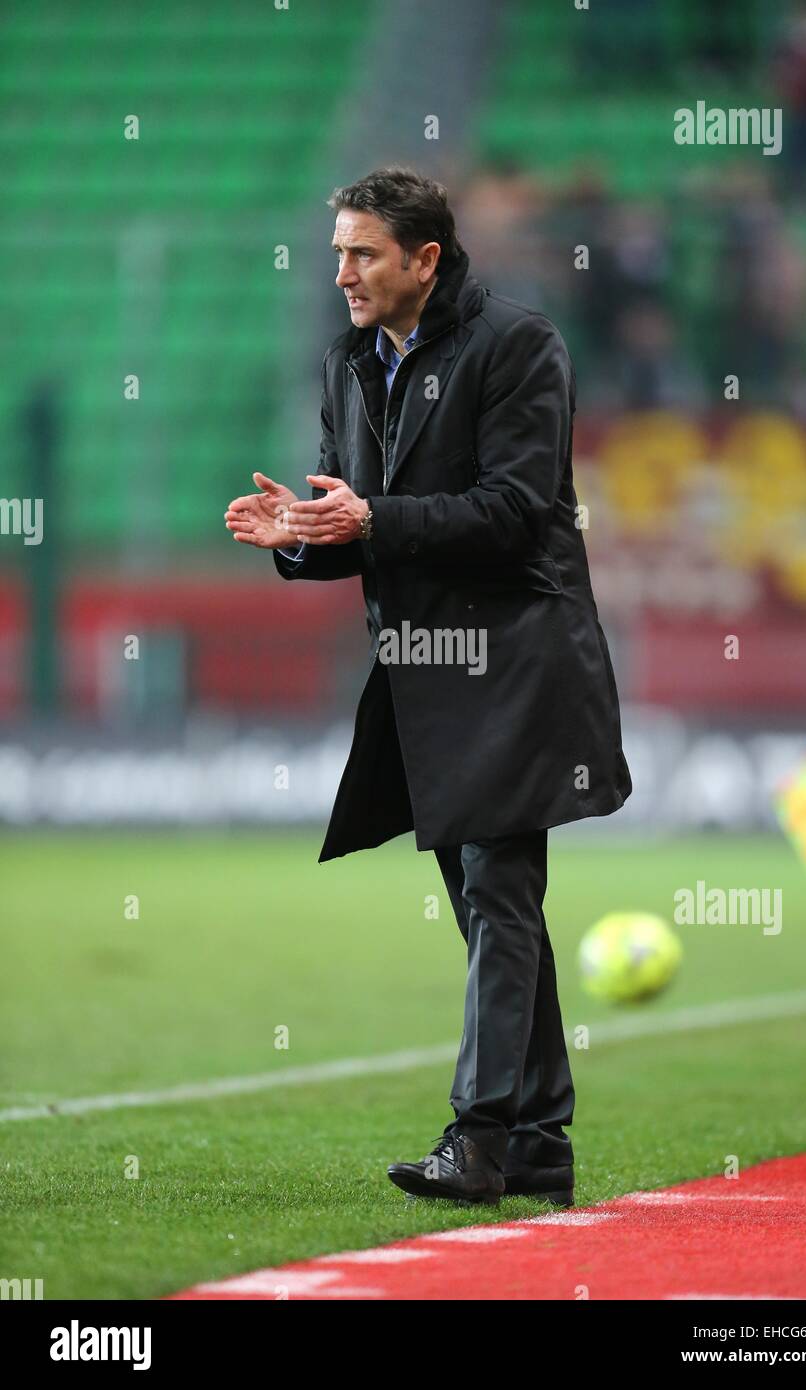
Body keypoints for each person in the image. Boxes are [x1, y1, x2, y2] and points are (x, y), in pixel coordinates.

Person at [225, 166, 632, 1207]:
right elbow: (349, 518)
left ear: (424, 259)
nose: (342, 273)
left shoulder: (517, 344)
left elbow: (511, 508)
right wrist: (299, 541)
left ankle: (479, 1134)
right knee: (485, 898)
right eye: (336, 253)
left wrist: (367, 522)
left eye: (362, 254)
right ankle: (539, 1131)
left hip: (517, 653)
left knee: (498, 888)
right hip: (421, 668)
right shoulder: (348, 361)